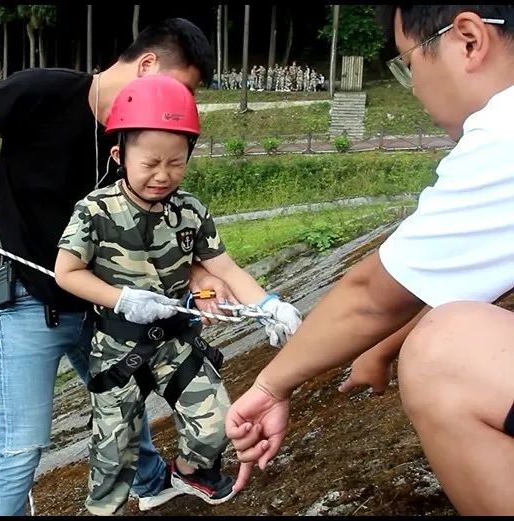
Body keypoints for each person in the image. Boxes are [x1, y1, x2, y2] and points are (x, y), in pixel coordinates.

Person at [0, 18, 234, 516]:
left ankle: (153, 481)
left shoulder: (139, 142)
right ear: (146, 65)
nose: (179, 107)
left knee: (121, 396)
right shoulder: (43, 91)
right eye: (178, 89)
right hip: (27, 299)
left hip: (102, 301)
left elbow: (161, 227)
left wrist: (200, 273)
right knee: (19, 448)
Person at [225, 5, 514, 515]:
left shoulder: (504, 132)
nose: (413, 87)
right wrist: (380, 350)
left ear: (468, 40)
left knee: (444, 352)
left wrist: (269, 385)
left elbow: (372, 297)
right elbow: (463, 283)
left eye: (407, 64)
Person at [54, 74, 304, 515]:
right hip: (117, 346)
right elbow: (66, 272)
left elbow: (222, 266)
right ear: (119, 154)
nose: (162, 176)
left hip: (174, 340)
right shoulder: (95, 210)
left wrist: (269, 305)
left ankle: (188, 471)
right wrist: (122, 299)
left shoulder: (189, 211)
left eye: (175, 163)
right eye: (150, 163)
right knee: (114, 456)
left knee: (217, 424)